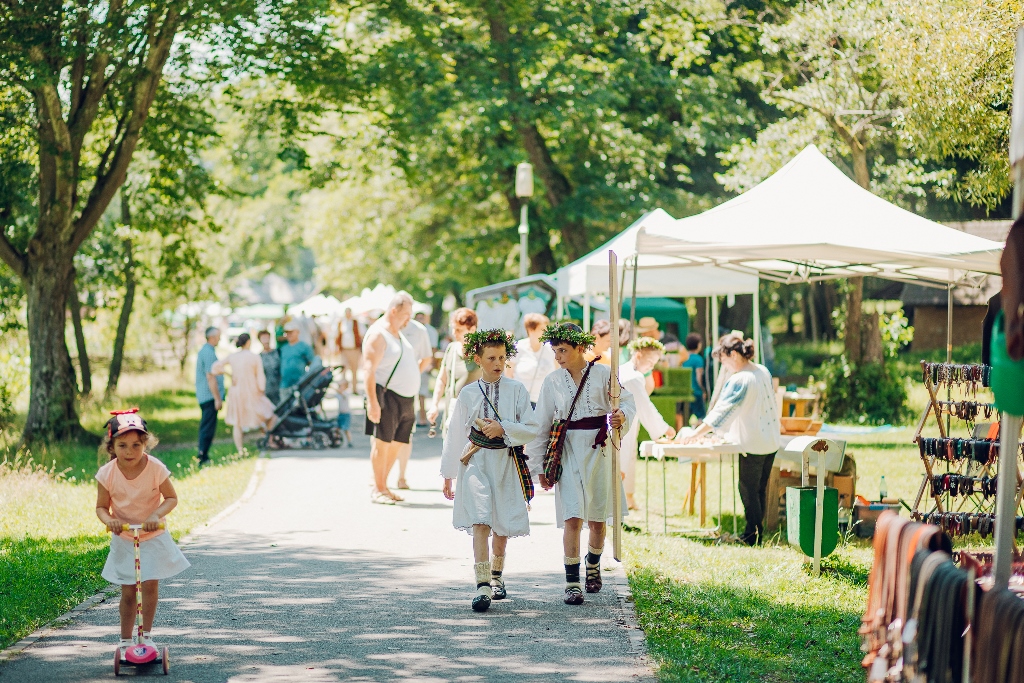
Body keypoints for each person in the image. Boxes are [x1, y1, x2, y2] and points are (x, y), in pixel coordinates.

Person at [526, 322, 635, 605]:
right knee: (572, 516)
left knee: (597, 518)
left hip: (599, 451)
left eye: (563, 350)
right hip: (568, 451)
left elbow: (627, 402)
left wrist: (621, 415)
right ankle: (572, 582)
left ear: (580, 348)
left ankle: (593, 564)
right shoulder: (552, 381)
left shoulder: (603, 375)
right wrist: (539, 467)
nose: (558, 357)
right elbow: (542, 425)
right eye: (555, 351)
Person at [440, 329, 538, 612]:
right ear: (478, 359)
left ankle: (497, 575)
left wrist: (503, 427)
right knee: (480, 520)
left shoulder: (516, 390)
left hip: (505, 462)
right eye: (491, 358)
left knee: (502, 523)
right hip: (476, 462)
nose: (497, 363)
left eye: (502, 357)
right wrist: (449, 472)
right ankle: (482, 585)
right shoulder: (468, 393)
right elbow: (456, 433)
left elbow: (531, 428)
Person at [95, 410, 190, 656]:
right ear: (112, 447)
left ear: (145, 444)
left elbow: (171, 497)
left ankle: (145, 636)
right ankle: (126, 639)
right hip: (126, 537)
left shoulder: (155, 468)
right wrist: (110, 521)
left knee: (149, 585)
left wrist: (155, 515)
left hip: (152, 535)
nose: (130, 451)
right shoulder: (107, 474)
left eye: (136, 445)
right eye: (123, 445)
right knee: (128, 590)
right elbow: (101, 507)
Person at [680, 333, 781, 546]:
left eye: (724, 361)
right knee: (759, 489)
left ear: (733, 355)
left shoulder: (741, 378)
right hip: (770, 440)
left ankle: (751, 535)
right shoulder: (762, 370)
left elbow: (722, 412)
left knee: (748, 489)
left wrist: (696, 433)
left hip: (754, 442)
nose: (724, 366)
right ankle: (756, 532)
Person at [363, 292, 421, 504]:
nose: (409, 319)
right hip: (387, 396)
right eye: (406, 314)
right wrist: (372, 402)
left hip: (406, 398)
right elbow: (368, 370)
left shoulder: (398, 333)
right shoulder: (378, 334)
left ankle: (384, 486)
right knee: (382, 443)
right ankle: (378, 489)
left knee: (397, 443)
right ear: (393, 311)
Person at [619, 338, 676, 511]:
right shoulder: (633, 377)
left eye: (654, 364)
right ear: (638, 355)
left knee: (618, 470)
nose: (651, 367)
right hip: (620, 428)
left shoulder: (623, 371)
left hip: (621, 425)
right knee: (618, 471)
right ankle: (612, 516)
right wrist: (664, 428)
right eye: (650, 362)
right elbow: (644, 407)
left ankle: (614, 513)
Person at [212, 333, 277, 455]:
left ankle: (241, 450)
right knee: (268, 413)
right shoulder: (254, 357)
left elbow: (215, 367)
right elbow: (260, 377)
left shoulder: (233, 356)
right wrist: (261, 390)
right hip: (252, 391)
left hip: (236, 391)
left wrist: (229, 374)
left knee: (238, 422)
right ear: (248, 342)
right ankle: (269, 439)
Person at [394, 311, 434, 489]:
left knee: (404, 433)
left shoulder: (420, 331)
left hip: (409, 387)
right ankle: (379, 478)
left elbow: (427, 356)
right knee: (383, 436)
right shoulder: (384, 328)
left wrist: (413, 374)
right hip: (387, 388)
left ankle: (401, 476)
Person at [427, 308, 480, 437]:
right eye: (453, 328)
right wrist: (434, 405)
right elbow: (442, 379)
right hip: (451, 413)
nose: (454, 333)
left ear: (472, 329)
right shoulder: (451, 348)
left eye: (459, 330)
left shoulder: (482, 351)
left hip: (474, 419)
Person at [507, 312, 557, 408]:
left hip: (545, 402)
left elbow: (557, 373)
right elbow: (509, 375)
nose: (545, 332)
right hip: (521, 402)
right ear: (530, 330)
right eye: (542, 329)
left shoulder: (551, 349)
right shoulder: (518, 348)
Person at [195, 326, 224, 467]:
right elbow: (210, 377)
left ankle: (203, 454)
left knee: (207, 426)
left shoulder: (207, 351)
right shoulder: (208, 353)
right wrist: (217, 398)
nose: (220, 339)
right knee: (207, 427)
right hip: (209, 397)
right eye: (218, 336)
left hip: (206, 396)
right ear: (212, 337)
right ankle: (203, 456)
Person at [414, 310, 439, 426]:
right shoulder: (411, 330)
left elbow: (433, 349)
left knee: (422, 393)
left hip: (424, 364)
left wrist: (431, 364)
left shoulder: (431, 331)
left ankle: (423, 418)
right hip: (413, 363)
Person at [279, 321, 316, 396]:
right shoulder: (283, 348)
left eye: (291, 332)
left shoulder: (305, 347)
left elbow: (312, 364)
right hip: (285, 385)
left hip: (299, 384)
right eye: (287, 333)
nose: (289, 335)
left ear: (297, 332)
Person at [681, 333, 708, 422]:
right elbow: (698, 377)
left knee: (685, 417)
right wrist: (703, 389)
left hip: (685, 391)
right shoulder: (698, 359)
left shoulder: (684, 358)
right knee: (701, 417)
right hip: (696, 392)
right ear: (698, 344)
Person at [336, 309, 364, 388]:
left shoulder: (356, 323)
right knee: (343, 369)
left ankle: (354, 388)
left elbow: (362, 334)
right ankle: (343, 388)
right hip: (344, 350)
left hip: (354, 349)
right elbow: (337, 335)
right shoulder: (341, 323)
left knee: (354, 369)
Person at [257, 330, 282, 406]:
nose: (266, 341)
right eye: (263, 338)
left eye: (267, 338)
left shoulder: (278, 352)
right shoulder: (259, 357)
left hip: (279, 388)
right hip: (267, 390)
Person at [335, 376, 353, 447]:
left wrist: (333, 388)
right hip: (340, 414)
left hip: (346, 414)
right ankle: (336, 441)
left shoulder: (346, 393)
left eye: (340, 386)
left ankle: (349, 441)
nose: (339, 387)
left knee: (346, 429)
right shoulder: (339, 394)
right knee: (337, 428)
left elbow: (341, 393)